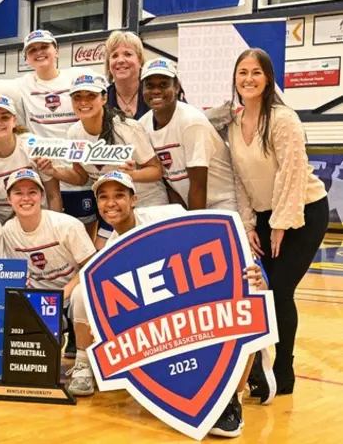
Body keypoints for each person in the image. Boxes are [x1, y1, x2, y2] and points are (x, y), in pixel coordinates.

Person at [67, 171, 272, 436]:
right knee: (83, 293)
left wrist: (256, 271)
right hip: (169, 311)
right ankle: (86, 365)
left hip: (200, 295)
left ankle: (234, 397)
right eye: (103, 198)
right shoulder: (113, 251)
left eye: (119, 195)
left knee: (246, 303)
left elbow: (219, 239)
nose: (111, 203)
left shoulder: (167, 216)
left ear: (134, 200)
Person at [227, 48, 329, 396]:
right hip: (267, 217)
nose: (249, 79)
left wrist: (282, 223)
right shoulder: (233, 123)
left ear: (268, 78)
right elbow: (240, 179)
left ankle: (283, 374)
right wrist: (249, 224)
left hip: (303, 212)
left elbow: (293, 172)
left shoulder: (283, 119)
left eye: (256, 72)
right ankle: (260, 369)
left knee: (279, 291)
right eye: (242, 72)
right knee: (260, 292)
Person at [51, 72, 166, 248]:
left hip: (146, 203)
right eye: (77, 97)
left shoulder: (127, 128)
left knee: (150, 252)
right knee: (101, 254)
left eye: (91, 96)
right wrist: (53, 171)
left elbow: (156, 171)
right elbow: (82, 177)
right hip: (115, 207)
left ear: (104, 98)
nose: (83, 102)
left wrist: (131, 174)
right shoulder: (74, 133)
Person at [1, 168, 95, 375]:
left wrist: (63, 295)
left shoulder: (67, 224)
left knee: (83, 295)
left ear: (42, 196)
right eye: (18, 193)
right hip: (39, 299)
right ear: (9, 199)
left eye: (32, 192)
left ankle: (82, 365)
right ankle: (54, 334)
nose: (26, 198)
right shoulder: (7, 231)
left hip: (71, 292)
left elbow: (91, 266)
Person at [14, 30, 98, 229]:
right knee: (52, 239)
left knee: (86, 241)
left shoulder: (77, 78)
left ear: (56, 51)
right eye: (32, 49)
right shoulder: (21, 85)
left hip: (81, 177)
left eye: (44, 47)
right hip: (47, 179)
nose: (39, 52)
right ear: (26, 58)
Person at [138, 58, 237, 210]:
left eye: (164, 85)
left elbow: (198, 186)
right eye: (149, 86)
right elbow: (168, 181)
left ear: (177, 87)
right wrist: (182, 215)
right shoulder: (142, 126)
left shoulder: (191, 122)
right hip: (192, 203)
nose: (156, 91)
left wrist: (194, 228)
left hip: (223, 203)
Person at [0, 95, 61, 224]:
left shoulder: (33, 146)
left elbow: (53, 194)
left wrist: (56, 227)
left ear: (14, 121)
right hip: (6, 229)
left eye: (5, 117)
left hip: (42, 223)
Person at [104, 31, 147, 119]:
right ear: (108, 64)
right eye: (114, 56)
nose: (120, 60)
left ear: (140, 61)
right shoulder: (102, 101)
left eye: (128, 54)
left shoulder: (154, 94)